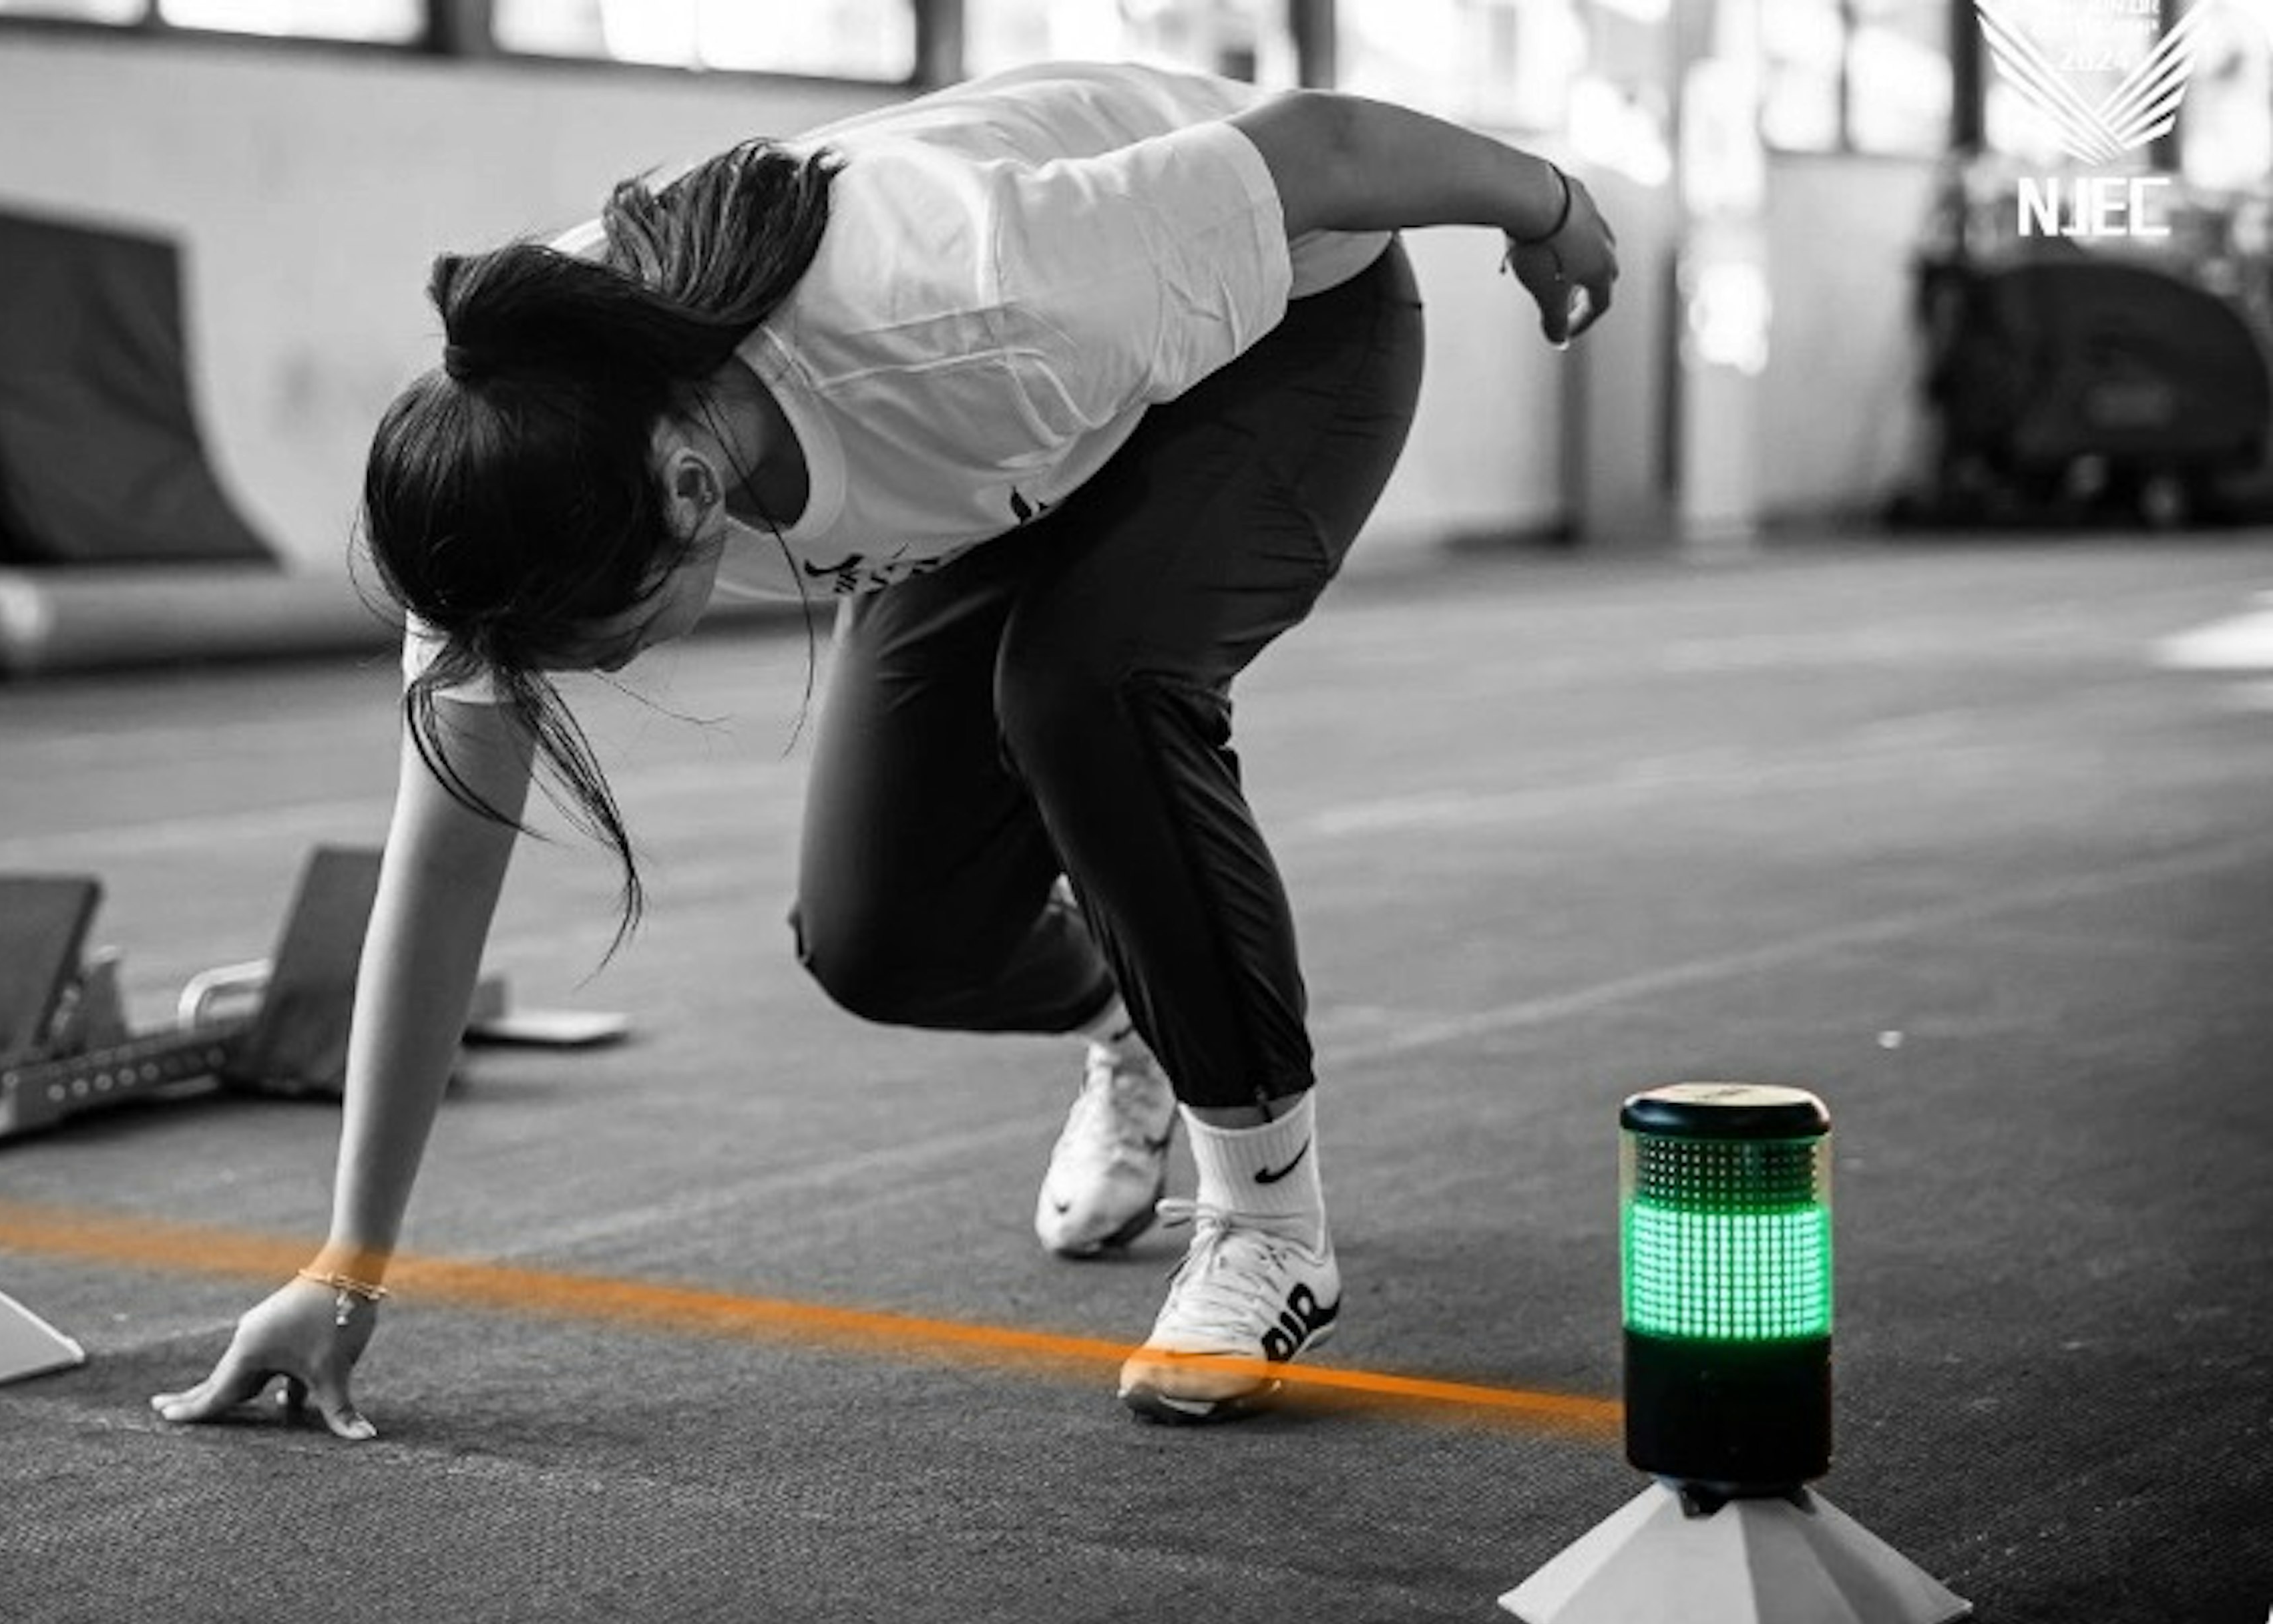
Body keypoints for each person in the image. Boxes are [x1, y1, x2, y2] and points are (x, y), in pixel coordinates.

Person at [151, 59, 1617, 1440]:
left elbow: (1327, 149)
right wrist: (347, 1265)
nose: (583, 679)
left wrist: (1548, 205)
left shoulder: (979, 296)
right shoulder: (504, 474)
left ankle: (1266, 1222)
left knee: (1084, 681)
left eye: (591, 645)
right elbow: (445, 855)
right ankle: (1133, 1030)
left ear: (682, 486)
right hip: (1009, 442)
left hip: (1290, 332)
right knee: (883, 936)